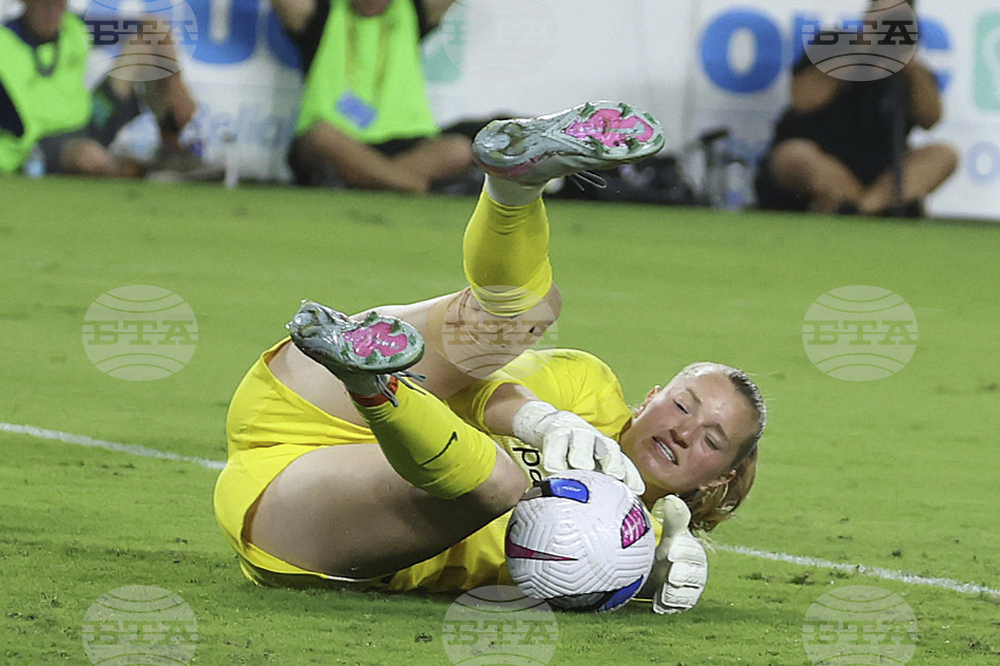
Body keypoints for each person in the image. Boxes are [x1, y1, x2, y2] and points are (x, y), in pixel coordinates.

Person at [213, 101, 767, 613]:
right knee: (530, 309)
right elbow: (483, 389)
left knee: (500, 483)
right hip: (307, 394)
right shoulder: (589, 389)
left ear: (721, 478)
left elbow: (569, 585)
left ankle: (375, 382)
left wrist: (647, 577)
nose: (684, 432)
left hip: (306, 518)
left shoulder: (637, 547)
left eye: (712, 441)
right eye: (682, 406)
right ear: (652, 398)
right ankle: (515, 188)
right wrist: (539, 418)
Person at [754, 0, 958, 216]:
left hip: (881, 173)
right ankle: (874, 206)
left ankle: (859, 207)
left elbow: (931, 118)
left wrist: (910, 67)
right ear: (867, 17)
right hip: (820, 159)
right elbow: (804, 100)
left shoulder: (911, 71)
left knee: (944, 155)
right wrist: (862, 52)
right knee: (794, 155)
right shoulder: (832, 45)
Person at [272, 0, 473, 193]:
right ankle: (410, 184)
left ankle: (366, 180)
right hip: (339, 142)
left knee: (459, 150)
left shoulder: (412, 10)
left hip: (403, 142)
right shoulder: (323, 12)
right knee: (321, 136)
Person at [0, 0, 214, 178]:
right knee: (89, 158)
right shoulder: (4, 43)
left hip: (89, 119)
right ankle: (147, 171)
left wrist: (176, 83)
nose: (54, 12)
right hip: (44, 141)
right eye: (45, 5)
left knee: (144, 46)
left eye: (60, 4)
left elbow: (154, 27)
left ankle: (171, 150)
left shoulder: (73, 27)